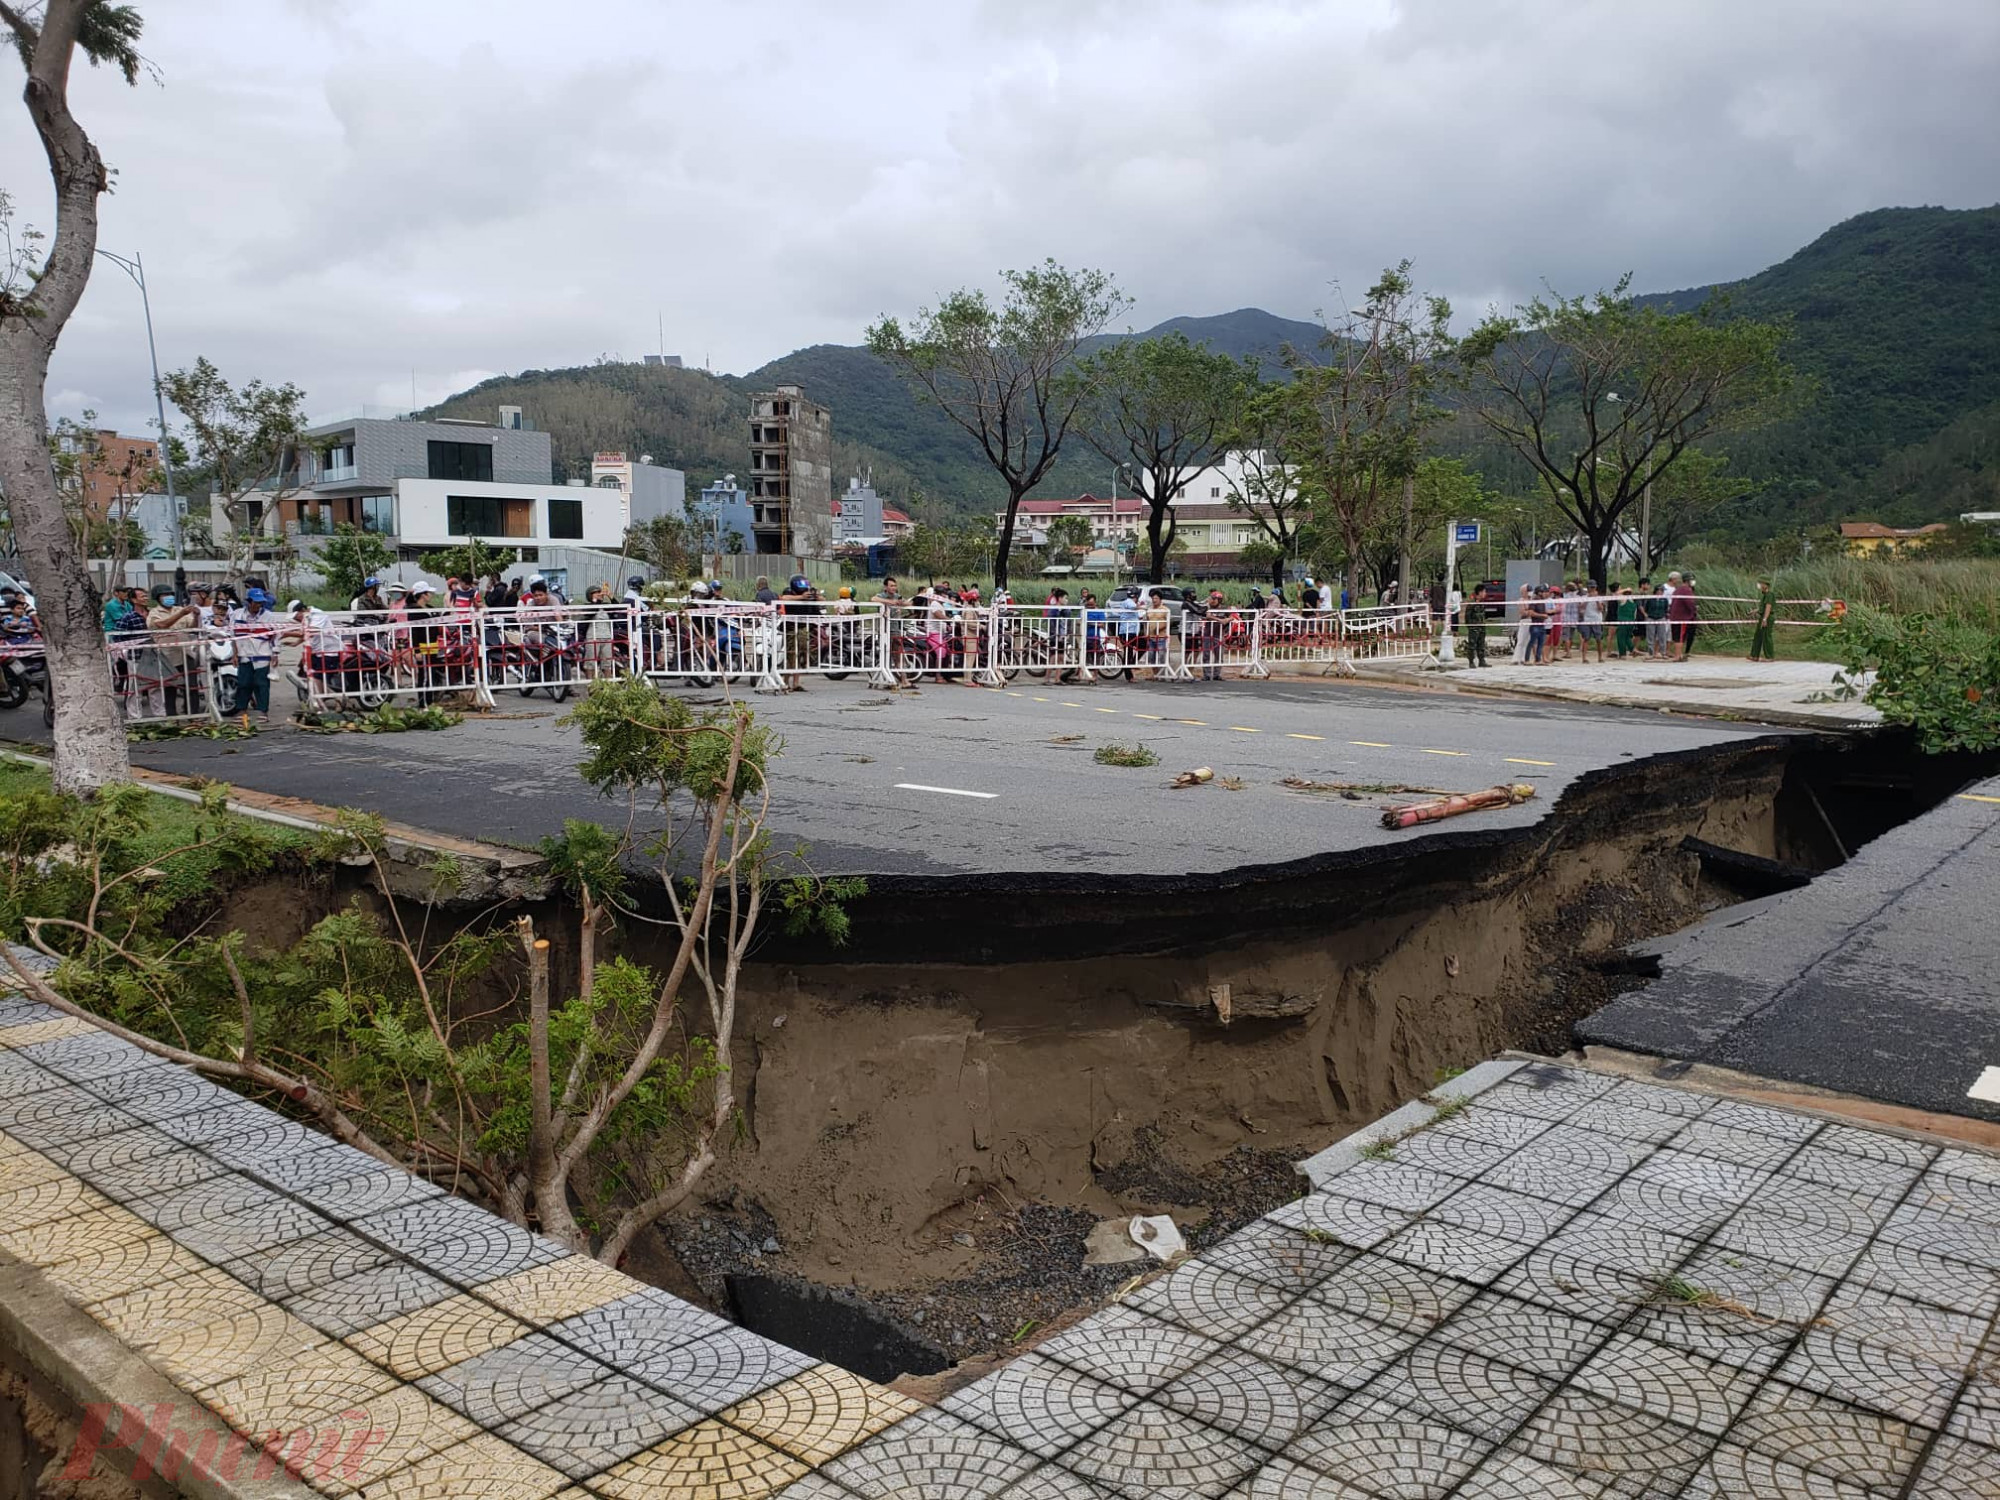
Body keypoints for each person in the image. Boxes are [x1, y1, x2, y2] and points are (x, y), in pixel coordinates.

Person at [143, 587, 201, 717]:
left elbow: (192, 627)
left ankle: (194, 715)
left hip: (185, 652)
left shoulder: (180, 609)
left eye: (170, 594)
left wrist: (196, 616)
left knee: (192, 686)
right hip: (167, 655)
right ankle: (172, 717)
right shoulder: (154, 613)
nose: (169, 597)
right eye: (165, 595)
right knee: (170, 688)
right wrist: (181, 614)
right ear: (158, 598)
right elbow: (162, 625)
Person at [230, 587, 279, 722]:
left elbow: (276, 636)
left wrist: (275, 654)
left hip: (262, 654)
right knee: (243, 683)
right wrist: (234, 654)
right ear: (249, 602)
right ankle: (241, 709)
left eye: (260, 602)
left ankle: (263, 711)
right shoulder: (237, 615)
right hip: (244, 654)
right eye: (256, 602)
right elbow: (232, 635)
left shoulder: (269, 616)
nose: (258, 605)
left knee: (261, 684)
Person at [1666, 571, 1698, 660]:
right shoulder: (1686, 590)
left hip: (1675, 617)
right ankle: (1677, 655)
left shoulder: (1677, 589)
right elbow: (1690, 603)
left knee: (1677, 636)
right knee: (1680, 637)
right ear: (1688, 581)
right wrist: (1694, 611)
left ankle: (1678, 655)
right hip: (1682, 617)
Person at [1141, 589, 1172, 678]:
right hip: (1151, 637)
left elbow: (1169, 622)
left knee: (1162, 656)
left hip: (1161, 637)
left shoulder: (1165, 610)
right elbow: (1146, 622)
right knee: (1151, 656)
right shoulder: (1149, 609)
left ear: (1160, 599)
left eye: (1156, 598)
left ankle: (1162, 675)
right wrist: (1146, 633)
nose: (1154, 600)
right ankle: (1155, 674)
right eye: (1153, 598)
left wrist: (1160, 628)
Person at [1749, 579, 1778, 661]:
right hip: (1763, 616)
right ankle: (1754, 655)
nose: (1759, 585)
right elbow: (1763, 607)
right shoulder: (1764, 595)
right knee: (1758, 635)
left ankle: (1769, 656)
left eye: (1761, 583)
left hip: (1767, 617)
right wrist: (1756, 611)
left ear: (1766, 585)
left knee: (1766, 636)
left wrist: (1765, 619)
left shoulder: (1770, 595)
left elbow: (1768, 607)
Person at [1641, 577, 1670, 659]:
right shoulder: (1650, 599)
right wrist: (1647, 615)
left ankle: (1663, 652)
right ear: (1657, 590)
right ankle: (1650, 653)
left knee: (1662, 635)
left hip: (1661, 618)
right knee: (1650, 636)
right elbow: (1646, 607)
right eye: (1661, 590)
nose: (1662, 592)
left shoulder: (1664, 600)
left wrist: (1663, 615)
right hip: (1651, 617)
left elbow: (1665, 608)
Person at [1578, 584, 1606, 663]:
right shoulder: (1584, 598)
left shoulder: (1599, 598)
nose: (1592, 589)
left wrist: (1596, 599)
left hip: (1597, 620)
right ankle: (1584, 658)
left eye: (1594, 587)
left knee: (1599, 639)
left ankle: (1600, 657)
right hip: (1587, 620)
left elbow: (1601, 609)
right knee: (1586, 639)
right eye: (1591, 587)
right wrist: (1588, 599)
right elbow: (1581, 608)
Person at [1463, 585, 1488, 668]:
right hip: (1474, 628)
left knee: (1481, 644)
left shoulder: (1482, 604)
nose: (1485, 593)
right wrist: (1471, 626)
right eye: (1484, 592)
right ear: (1480, 592)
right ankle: (1471, 661)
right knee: (1472, 645)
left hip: (1482, 627)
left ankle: (1482, 660)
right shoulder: (1472, 603)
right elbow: (1467, 617)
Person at [1524, 588, 1551, 665]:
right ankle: (1527, 659)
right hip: (1535, 624)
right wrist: (1542, 615)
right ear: (1539, 593)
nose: (1546, 594)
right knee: (1532, 642)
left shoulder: (1542, 602)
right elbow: (1531, 613)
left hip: (1542, 625)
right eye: (1544, 592)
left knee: (1541, 643)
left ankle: (1538, 660)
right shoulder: (1534, 601)